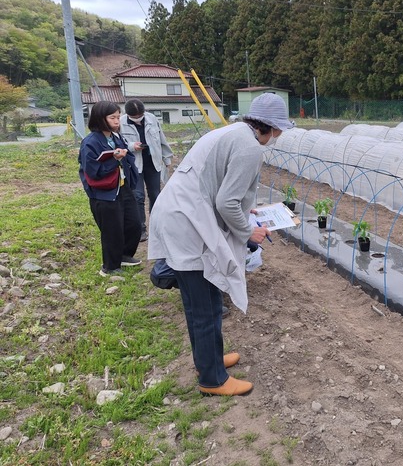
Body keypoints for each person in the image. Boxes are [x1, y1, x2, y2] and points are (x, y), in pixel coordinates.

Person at [148, 93, 294, 396]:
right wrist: (248, 232)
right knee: (203, 306)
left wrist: (246, 210)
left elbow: (220, 187)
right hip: (187, 224)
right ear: (273, 127)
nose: (280, 134)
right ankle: (212, 380)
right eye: (280, 128)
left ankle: (209, 361)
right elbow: (226, 202)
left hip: (181, 214)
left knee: (206, 302)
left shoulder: (232, 132)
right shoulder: (250, 148)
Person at [78, 101, 142, 276]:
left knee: (134, 225)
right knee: (111, 230)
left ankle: (124, 255)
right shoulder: (90, 142)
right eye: (112, 117)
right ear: (101, 119)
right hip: (103, 193)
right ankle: (110, 267)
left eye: (117, 117)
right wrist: (115, 159)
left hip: (122, 187)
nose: (117, 121)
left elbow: (127, 160)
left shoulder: (115, 137)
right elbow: (93, 171)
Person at [119, 99, 173, 242]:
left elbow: (162, 139)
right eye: (134, 117)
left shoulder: (152, 118)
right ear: (128, 115)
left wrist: (167, 158)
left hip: (152, 162)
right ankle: (141, 229)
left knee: (155, 194)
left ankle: (157, 226)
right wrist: (131, 146)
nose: (138, 119)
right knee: (138, 196)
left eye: (140, 116)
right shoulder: (121, 122)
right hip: (134, 164)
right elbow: (119, 141)